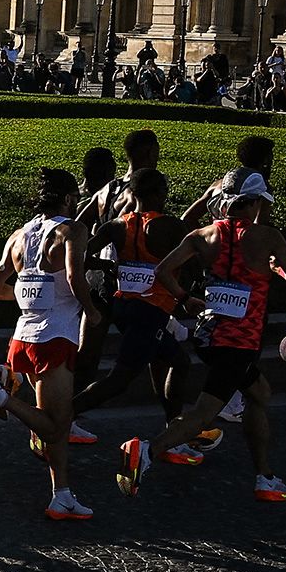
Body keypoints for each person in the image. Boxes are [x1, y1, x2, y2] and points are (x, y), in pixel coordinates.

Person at [116, 171, 286, 504]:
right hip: (240, 342)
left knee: (260, 393)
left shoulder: (203, 234)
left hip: (208, 334)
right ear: (256, 203)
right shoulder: (268, 237)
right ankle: (146, 450)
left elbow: (162, 271)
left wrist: (184, 299)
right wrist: (276, 268)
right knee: (202, 414)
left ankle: (264, 476)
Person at [0, 171, 103, 521]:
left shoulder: (19, 235)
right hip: (55, 338)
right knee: (57, 426)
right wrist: (92, 310)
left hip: (22, 339)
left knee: (53, 425)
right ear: (70, 199)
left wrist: (29, 302)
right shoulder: (71, 230)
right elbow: (74, 277)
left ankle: (62, 495)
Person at [73, 169, 200, 432]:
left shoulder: (117, 225)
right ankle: (59, 416)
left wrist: (107, 265)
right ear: (157, 193)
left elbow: (81, 257)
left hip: (124, 308)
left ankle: (173, 430)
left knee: (180, 360)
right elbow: (195, 261)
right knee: (119, 381)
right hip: (150, 312)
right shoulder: (171, 226)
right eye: (165, 190)